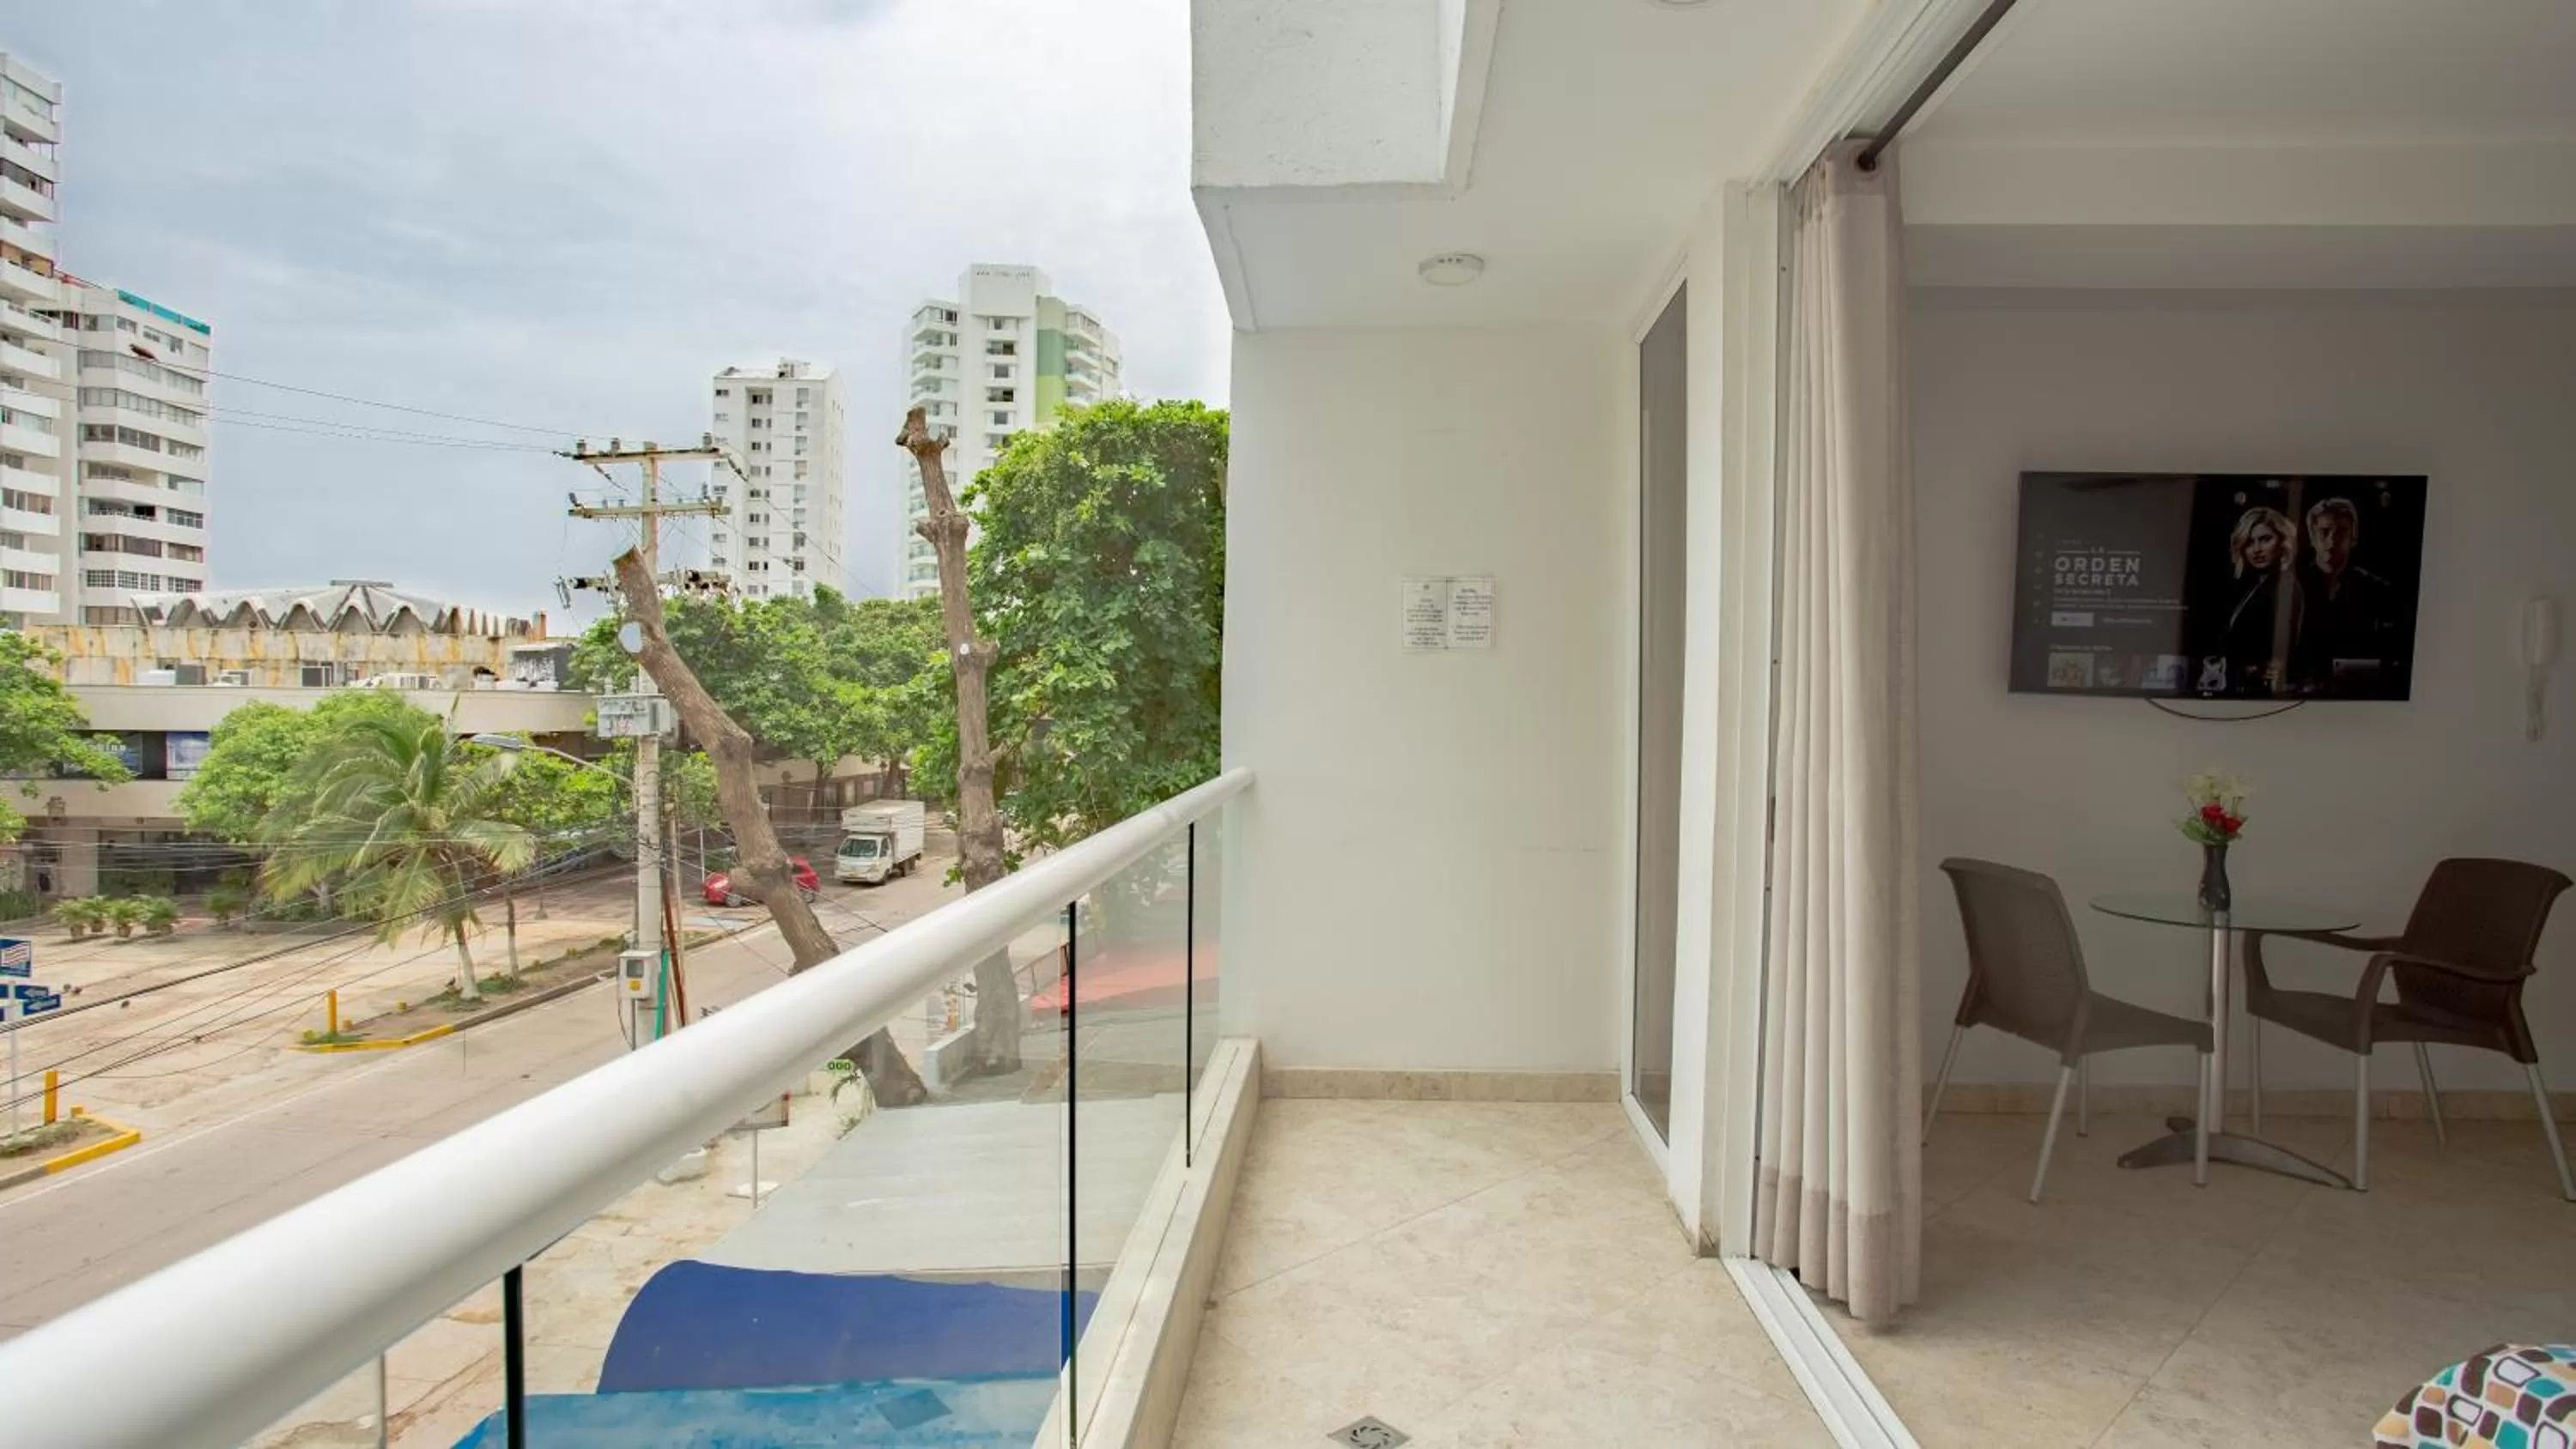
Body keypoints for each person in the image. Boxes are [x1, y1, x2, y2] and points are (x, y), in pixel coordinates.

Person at [2292, 495, 2396, 690]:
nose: (2332, 539)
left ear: (2353, 538)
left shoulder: (2377, 590)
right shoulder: (2291, 585)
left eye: (2341, 532)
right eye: (2324, 532)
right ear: (2312, 537)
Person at [2221, 505, 2301, 694]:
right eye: (2249, 542)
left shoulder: (2284, 586)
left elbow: (2285, 651)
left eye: (2265, 539)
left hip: (2262, 691)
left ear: (2283, 542)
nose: (2256, 549)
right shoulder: (2256, 585)